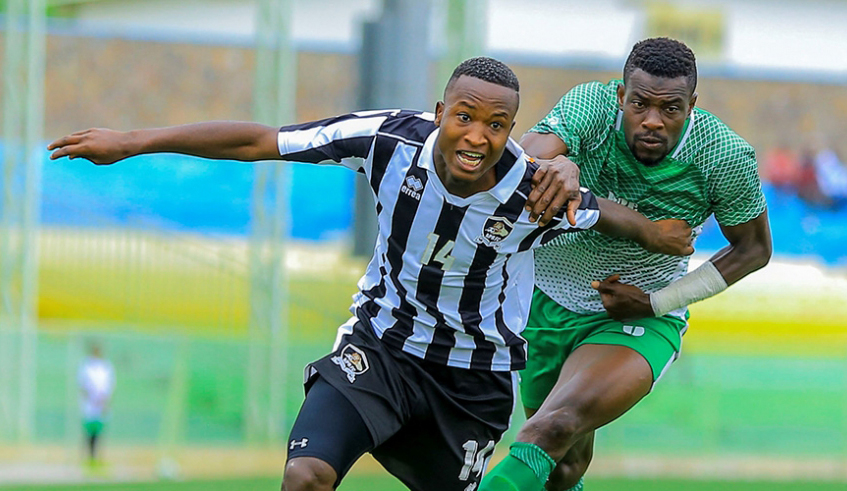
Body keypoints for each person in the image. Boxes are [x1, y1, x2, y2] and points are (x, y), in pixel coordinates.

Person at [48, 57, 693, 491]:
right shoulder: (387, 139)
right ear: (439, 110)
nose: (476, 136)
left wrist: (657, 234)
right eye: (463, 116)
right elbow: (262, 141)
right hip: (378, 351)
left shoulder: (532, 190)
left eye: (496, 126)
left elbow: (603, 215)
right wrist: (134, 141)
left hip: (472, 384)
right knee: (305, 478)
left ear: (511, 133)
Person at [479, 38, 773, 491]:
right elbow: (526, 161)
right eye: (639, 104)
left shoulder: (723, 156)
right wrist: (564, 170)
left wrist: (658, 302)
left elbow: (754, 249)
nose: (652, 121)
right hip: (542, 304)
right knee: (560, 468)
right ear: (621, 96)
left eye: (671, 109)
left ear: (692, 104)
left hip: (636, 317)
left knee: (549, 429)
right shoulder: (592, 105)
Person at [77, 341, 115, 468]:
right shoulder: (86, 367)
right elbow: (82, 386)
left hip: (101, 405)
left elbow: (109, 386)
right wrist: (91, 398)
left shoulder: (106, 367)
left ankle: (98, 458)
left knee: (100, 433)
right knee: (89, 433)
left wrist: (104, 401)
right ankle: (89, 458)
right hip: (89, 405)